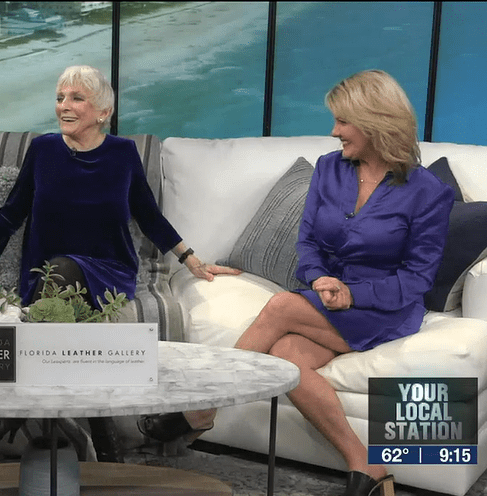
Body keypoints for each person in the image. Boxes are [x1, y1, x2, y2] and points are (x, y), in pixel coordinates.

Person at [138, 70, 454, 496]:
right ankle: (367, 465)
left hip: (383, 307)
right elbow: (307, 242)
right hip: (325, 296)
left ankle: (200, 408)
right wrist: (320, 276)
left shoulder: (427, 191)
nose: (334, 131)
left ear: (376, 121)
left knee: (281, 307)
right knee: (288, 356)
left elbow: (417, 278)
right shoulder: (329, 169)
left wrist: (352, 294)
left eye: (343, 121)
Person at [0, 65, 240, 461]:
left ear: (103, 111)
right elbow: (12, 211)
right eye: (60, 98)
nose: (64, 107)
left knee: (62, 282)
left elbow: (148, 214)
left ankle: (9, 411)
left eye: (76, 98)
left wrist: (190, 259)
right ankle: (107, 450)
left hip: (108, 270)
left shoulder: (122, 154)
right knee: (62, 295)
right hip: (45, 273)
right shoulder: (43, 151)